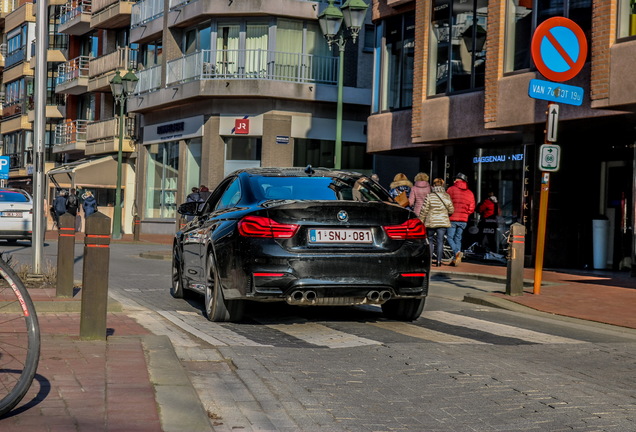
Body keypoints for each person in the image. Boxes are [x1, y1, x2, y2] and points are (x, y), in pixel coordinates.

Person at [419, 178, 454, 267]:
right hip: (442, 222)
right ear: (442, 185)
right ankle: (438, 261)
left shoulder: (429, 196)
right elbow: (451, 210)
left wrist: (421, 221)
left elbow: (424, 210)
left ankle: (430, 260)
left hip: (431, 222)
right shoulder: (446, 196)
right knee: (440, 241)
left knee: (430, 240)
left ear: (433, 185)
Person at [446, 172, 475, 266]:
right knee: (458, 238)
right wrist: (466, 214)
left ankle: (457, 252)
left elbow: (446, 203)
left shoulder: (451, 189)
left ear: (457, 180)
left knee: (450, 237)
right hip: (463, 220)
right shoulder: (470, 193)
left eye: (455, 179)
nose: (454, 180)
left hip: (452, 218)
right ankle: (456, 259)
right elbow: (471, 208)